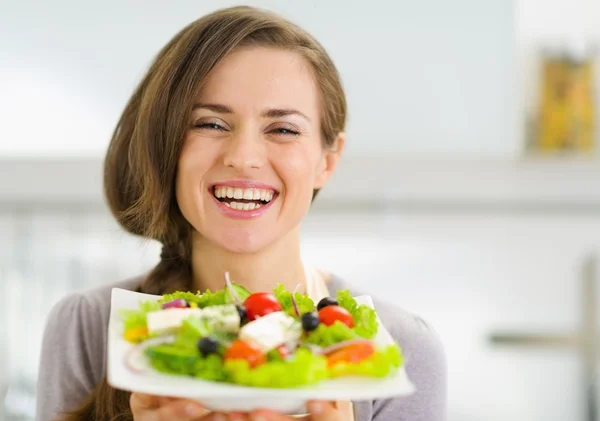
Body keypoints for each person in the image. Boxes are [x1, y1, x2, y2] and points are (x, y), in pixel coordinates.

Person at [35, 5, 446, 421]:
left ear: (328, 159)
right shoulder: (89, 327)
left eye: (283, 129)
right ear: (167, 146)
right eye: (210, 124)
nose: (244, 157)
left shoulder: (399, 347)